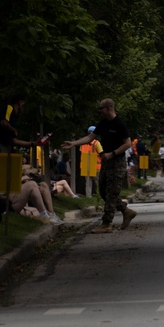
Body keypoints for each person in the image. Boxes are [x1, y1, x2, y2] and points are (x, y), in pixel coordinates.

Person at [62, 98, 137, 233]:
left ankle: (106, 223)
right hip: (106, 162)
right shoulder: (103, 124)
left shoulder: (119, 124)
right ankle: (126, 211)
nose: (100, 111)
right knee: (103, 191)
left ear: (109, 108)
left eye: (101, 108)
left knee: (112, 192)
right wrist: (74, 143)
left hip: (117, 161)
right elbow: (90, 138)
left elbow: (127, 143)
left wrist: (113, 153)